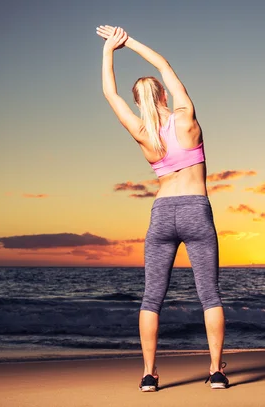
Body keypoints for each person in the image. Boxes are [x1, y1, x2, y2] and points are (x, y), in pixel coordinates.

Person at [96, 25, 228, 391]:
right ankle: (216, 371)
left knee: (152, 297)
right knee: (209, 295)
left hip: (161, 213)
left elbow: (109, 94)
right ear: (162, 93)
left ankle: (149, 375)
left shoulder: (142, 131)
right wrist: (130, 41)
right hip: (195, 210)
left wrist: (109, 50)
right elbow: (165, 65)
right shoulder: (185, 118)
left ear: (139, 101)